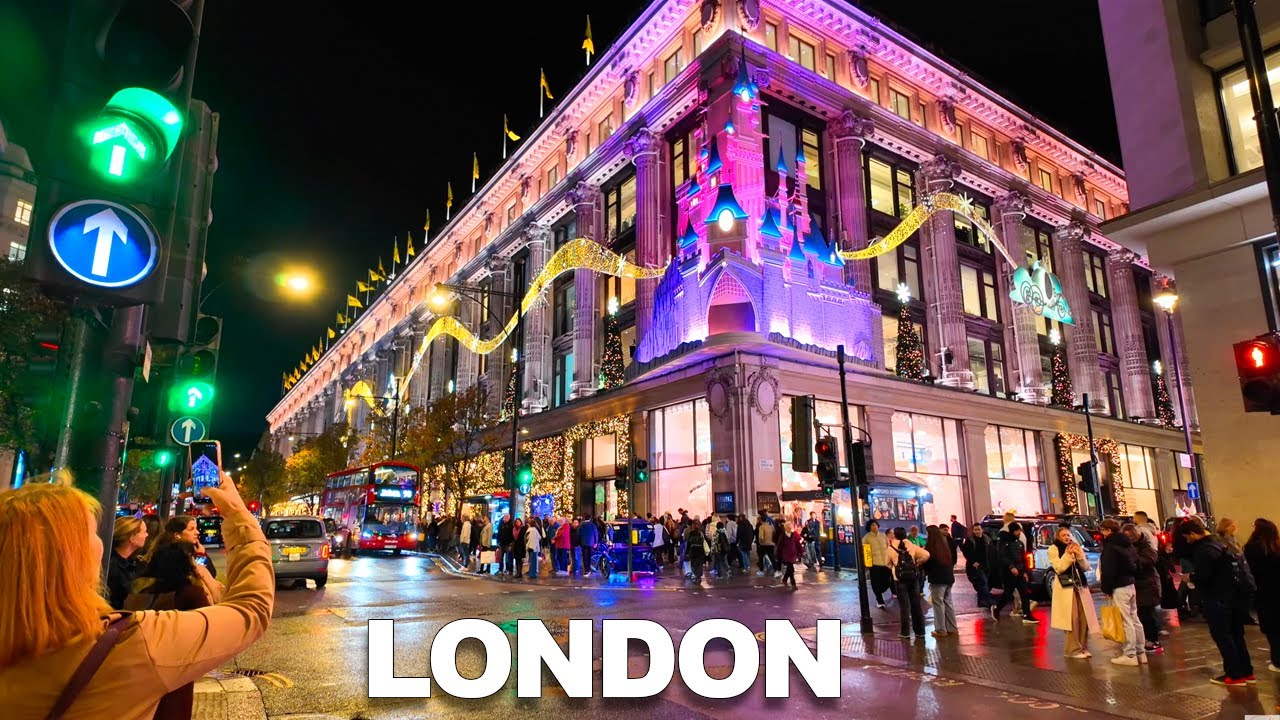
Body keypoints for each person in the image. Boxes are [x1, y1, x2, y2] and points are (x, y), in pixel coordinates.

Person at [0, 472, 273, 719]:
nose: (100, 542)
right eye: (92, 533)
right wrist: (237, 514)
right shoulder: (133, 644)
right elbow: (251, 610)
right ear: (73, 556)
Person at [1181, 518, 1255, 685]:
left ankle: (1234, 674)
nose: (1187, 540)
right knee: (1237, 634)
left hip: (1216, 597)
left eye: (1187, 537)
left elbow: (1205, 575)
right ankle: (1247, 672)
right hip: (1233, 596)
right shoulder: (1219, 543)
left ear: (1193, 534)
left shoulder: (1203, 549)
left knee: (1223, 636)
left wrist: (1191, 577)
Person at [1099, 518, 1146, 666]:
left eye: (1102, 530)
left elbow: (1108, 570)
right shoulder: (1128, 544)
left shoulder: (1111, 547)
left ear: (1108, 531)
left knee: (1125, 621)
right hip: (1130, 584)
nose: (1101, 533)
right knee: (1134, 619)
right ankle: (1141, 652)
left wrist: (1106, 588)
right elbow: (1137, 564)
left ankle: (1129, 654)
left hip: (1119, 586)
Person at [1048, 526, 1099, 658]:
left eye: (1068, 535)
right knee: (1072, 618)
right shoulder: (1053, 549)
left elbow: (1086, 567)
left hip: (1080, 584)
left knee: (1084, 617)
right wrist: (1068, 555)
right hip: (1066, 584)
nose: (1067, 537)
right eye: (1063, 535)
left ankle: (1082, 646)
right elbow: (1059, 568)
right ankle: (1072, 649)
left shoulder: (1075, 547)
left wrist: (1080, 555)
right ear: (1058, 537)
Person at [1242, 517, 1279, 674]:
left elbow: (1249, 572)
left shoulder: (1252, 547)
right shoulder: (1277, 546)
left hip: (1264, 593)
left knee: (1271, 628)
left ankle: (1277, 660)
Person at [1125, 523, 1164, 651]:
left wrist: (1131, 559)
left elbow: (1147, 562)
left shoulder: (1147, 548)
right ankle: (1147, 639)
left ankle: (1153, 640)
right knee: (1142, 613)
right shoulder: (1133, 548)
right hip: (1140, 585)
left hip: (1147, 585)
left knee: (1147, 613)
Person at [887, 527, 930, 639]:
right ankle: (920, 631)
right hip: (913, 578)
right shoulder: (911, 546)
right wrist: (918, 562)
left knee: (904, 606)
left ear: (895, 535)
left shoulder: (891, 548)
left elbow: (887, 563)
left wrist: (894, 567)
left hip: (900, 580)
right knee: (916, 605)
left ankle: (905, 632)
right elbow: (926, 554)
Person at [993, 522, 1038, 624]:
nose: (1019, 532)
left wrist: (1025, 571)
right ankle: (997, 608)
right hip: (1009, 573)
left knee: (1024, 593)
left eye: (1019, 530)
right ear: (1013, 531)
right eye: (1017, 530)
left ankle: (1027, 615)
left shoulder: (1019, 543)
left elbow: (1023, 558)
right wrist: (1011, 567)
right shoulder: (1004, 542)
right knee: (1008, 593)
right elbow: (1002, 556)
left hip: (1020, 572)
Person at [106, 517, 148, 610]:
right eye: (144, 532)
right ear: (132, 538)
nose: (147, 535)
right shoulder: (112, 567)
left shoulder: (131, 562)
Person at [923, 526, 957, 637]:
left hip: (938, 579)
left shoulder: (931, 547)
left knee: (938, 603)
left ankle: (941, 629)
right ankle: (952, 627)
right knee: (948, 602)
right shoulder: (944, 545)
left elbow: (927, 564)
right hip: (949, 577)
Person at [961, 523, 995, 613]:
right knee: (983, 583)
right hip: (976, 566)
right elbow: (966, 552)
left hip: (986, 565)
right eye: (975, 529)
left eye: (978, 529)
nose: (977, 531)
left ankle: (980, 602)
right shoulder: (970, 540)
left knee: (982, 584)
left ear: (982, 530)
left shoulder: (987, 539)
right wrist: (973, 562)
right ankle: (989, 602)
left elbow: (991, 551)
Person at [863, 520, 892, 608]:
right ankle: (880, 600)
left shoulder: (883, 536)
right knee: (875, 583)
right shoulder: (866, 538)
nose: (874, 527)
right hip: (874, 564)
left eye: (875, 525)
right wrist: (867, 564)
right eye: (872, 525)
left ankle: (881, 592)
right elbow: (865, 552)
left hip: (886, 564)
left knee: (887, 582)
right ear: (869, 527)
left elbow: (889, 548)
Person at [777, 522, 802, 589]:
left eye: (790, 527)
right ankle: (793, 584)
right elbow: (779, 547)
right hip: (786, 555)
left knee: (789, 569)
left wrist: (801, 552)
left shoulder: (794, 535)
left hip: (792, 554)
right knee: (791, 568)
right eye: (788, 527)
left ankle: (785, 579)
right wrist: (778, 555)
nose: (789, 529)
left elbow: (797, 544)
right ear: (785, 528)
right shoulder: (782, 536)